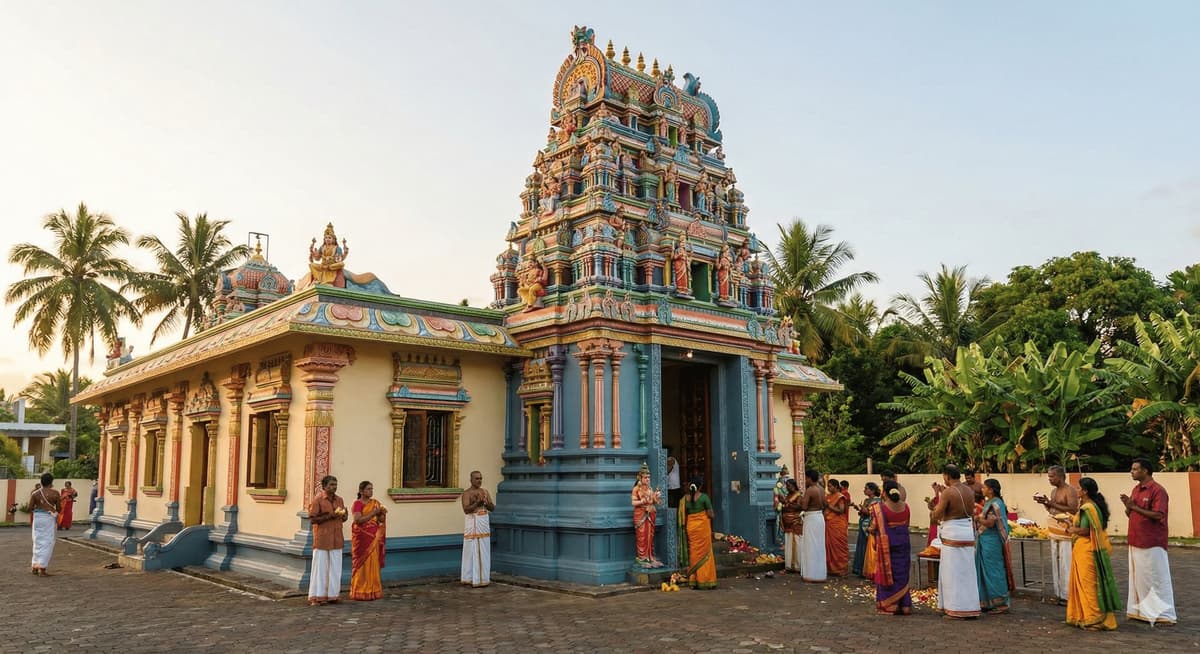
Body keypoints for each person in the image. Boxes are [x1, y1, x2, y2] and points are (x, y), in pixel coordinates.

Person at [1120, 458, 1176, 625]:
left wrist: (1134, 506)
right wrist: (1128, 505)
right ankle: (1140, 611)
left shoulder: (1158, 491)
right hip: (1136, 538)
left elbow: (1159, 515)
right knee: (1138, 578)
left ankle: (1164, 614)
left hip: (1152, 541)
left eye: (1135, 469)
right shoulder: (1136, 489)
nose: (1132, 472)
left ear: (1145, 471)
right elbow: (1130, 513)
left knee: (1156, 577)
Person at [1065, 477, 1120, 630]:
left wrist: (1072, 529)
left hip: (1086, 550)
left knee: (1088, 585)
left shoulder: (1088, 508)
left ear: (1085, 491)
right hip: (1085, 549)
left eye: (1078, 488)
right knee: (1088, 584)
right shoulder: (1092, 506)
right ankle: (1086, 616)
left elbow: (1085, 531)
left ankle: (1095, 619)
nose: (1076, 491)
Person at [930, 464, 980, 619]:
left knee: (952, 573)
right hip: (966, 532)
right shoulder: (969, 491)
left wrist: (933, 510)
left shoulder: (949, 492)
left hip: (953, 532)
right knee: (967, 572)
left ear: (946, 476)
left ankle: (956, 609)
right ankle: (969, 607)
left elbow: (937, 515)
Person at [1034, 465, 1079, 605]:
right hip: (1054, 530)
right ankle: (1058, 593)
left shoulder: (1069, 490)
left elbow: (1073, 509)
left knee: (1066, 562)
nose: (1049, 479)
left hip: (1066, 532)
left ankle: (1068, 594)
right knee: (1056, 561)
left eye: (1052, 476)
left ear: (1060, 476)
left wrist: (1051, 503)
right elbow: (1053, 508)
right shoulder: (1054, 491)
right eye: (1049, 476)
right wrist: (1045, 503)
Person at [871, 480, 912, 615]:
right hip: (904, 544)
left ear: (884, 493)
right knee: (902, 573)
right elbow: (906, 525)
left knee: (890, 573)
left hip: (888, 545)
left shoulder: (881, 508)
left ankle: (890, 604)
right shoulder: (906, 507)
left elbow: (874, 527)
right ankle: (905, 605)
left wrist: (870, 530)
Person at [307, 475, 348, 605]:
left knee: (335, 568)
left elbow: (343, 518)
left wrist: (344, 515)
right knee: (320, 568)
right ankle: (317, 596)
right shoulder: (318, 500)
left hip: (336, 537)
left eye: (335, 484)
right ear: (324, 486)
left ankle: (333, 595)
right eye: (331, 485)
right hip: (322, 538)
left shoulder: (340, 500)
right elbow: (313, 519)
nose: (334, 487)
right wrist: (330, 516)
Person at [975, 479, 1014, 613]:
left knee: (994, 570)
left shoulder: (996, 503)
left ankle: (1001, 602)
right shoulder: (989, 502)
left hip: (992, 541)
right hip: (985, 540)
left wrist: (978, 518)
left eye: (984, 487)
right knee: (985, 570)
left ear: (991, 490)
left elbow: (990, 523)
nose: (982, 489)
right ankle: (987, 601)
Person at [349, 481, 387, 601]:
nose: (371, 491)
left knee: (373, 563)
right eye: (368, 489)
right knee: (361, 564)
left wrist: (382, 513)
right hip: (361, 538)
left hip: (374, 537)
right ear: (361, 491)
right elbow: (358, 520)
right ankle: (360, 590)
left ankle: (373, 590)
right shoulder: (357, 504)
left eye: (372, 489)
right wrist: (374, 512)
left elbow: (380, 519)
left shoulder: (375, 503)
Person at [677, 477, 716, 589]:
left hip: (691, 528)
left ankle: (693, 580)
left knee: (693, 552)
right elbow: (711, 514)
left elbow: (683, 516)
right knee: (705, 554)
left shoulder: (685, 499)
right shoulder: (704, 498)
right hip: (702, 529)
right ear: (700, 486)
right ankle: (705, 579)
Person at [461, 470, 495, 588]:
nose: (479, 480)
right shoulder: (467, 493)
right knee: (471, 550)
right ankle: (470, 578)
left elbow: (492, 507)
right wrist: (477, 503)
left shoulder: (485, 492)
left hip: (483, 524)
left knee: (484, 549)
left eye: (480, 478)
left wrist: (486, 503)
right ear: (471, 480)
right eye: (476, 478)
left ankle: (483, 578)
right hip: (473, 524)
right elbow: (466, 510)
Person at [631, 465, 663, 567]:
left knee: (650, 536)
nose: (648, 479)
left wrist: (656, 496)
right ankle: (642, 557)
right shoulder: (636, 489)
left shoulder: (650, 488)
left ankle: (650, 556)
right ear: (640, 478)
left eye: (649, 477)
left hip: (650, 515)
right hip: (641, 515)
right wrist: (641, 501)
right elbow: (633, 502)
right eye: (645, 477)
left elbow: (654, 501)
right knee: (642, 537)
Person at [29, 473, 60, 576]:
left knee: (37, 541)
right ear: (51, 482)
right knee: (47, 542)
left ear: (41, 481)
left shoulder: (35, 493)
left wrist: (40, 510)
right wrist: (50, 509)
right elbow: (59, 509)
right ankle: (42, 568)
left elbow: (30, 508)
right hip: (48, 519)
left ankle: (34, 566)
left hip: (37, 518)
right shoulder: (55, 493)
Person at [800, 469, 827, 583]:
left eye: (806, 478)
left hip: (811, 517)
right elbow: (825, 504)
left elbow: (804, 506)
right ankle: (820, 574)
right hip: (820, 517)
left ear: (810, 478)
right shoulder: (821, 489)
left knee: (810, 546)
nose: (805, 480)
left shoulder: (810, 490)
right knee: (819, 546)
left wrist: (800, 500)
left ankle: (811, 574)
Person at [851, 483, 881, 578]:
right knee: (861, 546)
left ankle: (868, 569)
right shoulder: (867, 500)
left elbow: (871, 513)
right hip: (863, 524)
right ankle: (860, 569)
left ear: (872, 491)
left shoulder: (876, 501)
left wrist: (864, 510)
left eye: (866, 488)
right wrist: (858, 508)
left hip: (869, 525)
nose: (864, 490)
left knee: (868, 547)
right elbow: (863, 513)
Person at [824, 478, 850, 577]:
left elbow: (841, 510)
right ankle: (831, 569)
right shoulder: (827, 496)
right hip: (829, 524)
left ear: (835, 486)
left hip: (837, 525)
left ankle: (841, 569)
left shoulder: (840, 497)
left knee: (838, 546)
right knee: (829, 546)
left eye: (830, 486)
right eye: (828, 486)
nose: (828, 488)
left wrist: (829, 506)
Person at [780, 478, 804, 573]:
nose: (787, 487)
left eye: (788, 486)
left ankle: (797, 566)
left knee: (796, 543)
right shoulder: (788, 495)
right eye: (786, 486)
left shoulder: (798, 495)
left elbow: (799, 506)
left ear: (794, 486)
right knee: (789, 543)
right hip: (787, 523)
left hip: (795, 522)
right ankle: (789, 565)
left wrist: (786, 502)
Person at [772, 465, 791, 546]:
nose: (785, 479)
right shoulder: (778, 485)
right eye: (784, 478)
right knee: (780, 524)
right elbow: (776, 497)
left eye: (787, 477)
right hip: (781, 507)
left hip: (788, 508)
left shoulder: (789, 485)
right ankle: (781, 541)